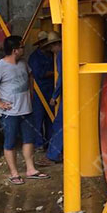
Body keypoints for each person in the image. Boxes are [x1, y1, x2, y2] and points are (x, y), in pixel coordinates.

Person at [0, 34, 49, 185]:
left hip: (26, 110)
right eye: (22, 47)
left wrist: (30, 94)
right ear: (15, 50)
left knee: (29, 140)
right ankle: (14, 173)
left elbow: (30, 76)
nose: (24, 49)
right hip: (10, 113)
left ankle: (31, 169)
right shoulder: (0, 66)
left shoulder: (23, 63)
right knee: (10, 142)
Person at [28, 30, 54, 151]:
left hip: (51, 90)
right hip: (39, 92)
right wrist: (56, 73)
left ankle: (50, 143)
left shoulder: (52, 55)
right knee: (38, 119)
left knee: (51, 118)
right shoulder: (34, 57)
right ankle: (39, 144)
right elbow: (39, 73)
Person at [45, 31, 63, 163]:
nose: (51, 50)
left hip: (68, 94)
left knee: (59, 124)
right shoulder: (69, 52)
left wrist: (54, 96)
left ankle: (53, 154)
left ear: (57, 44)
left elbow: (62, 77)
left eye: (52, 46)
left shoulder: (61, 56)